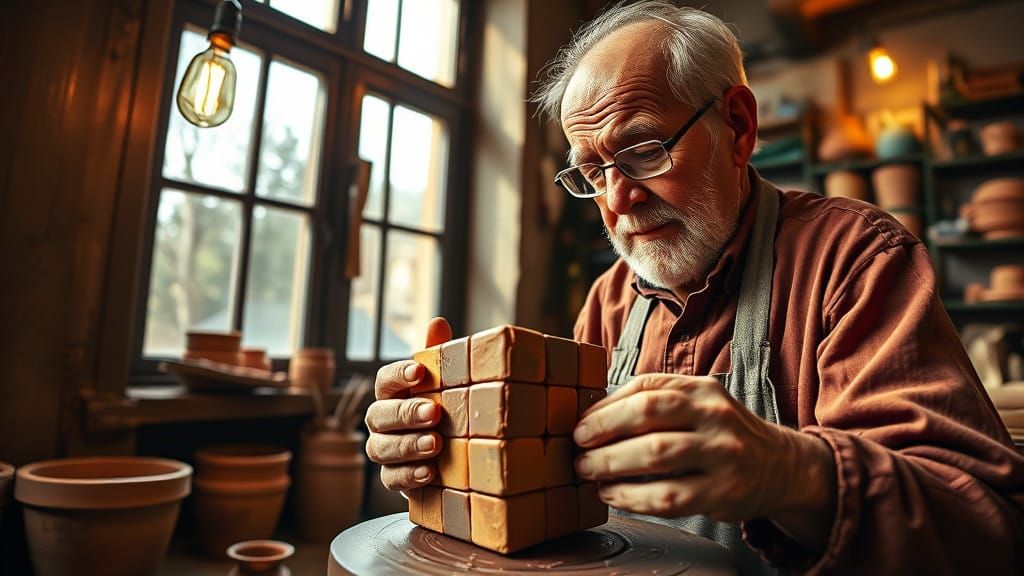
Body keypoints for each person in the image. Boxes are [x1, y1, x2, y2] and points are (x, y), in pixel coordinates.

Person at [363, 2, 1024, 574]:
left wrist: (789, 472)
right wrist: (451, 449)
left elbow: (988, 533)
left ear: (737, 127)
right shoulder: (610, 301)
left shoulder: (851, 260)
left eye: (645, 150)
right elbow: (557, 497)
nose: (618, 200)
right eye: (591, 171)